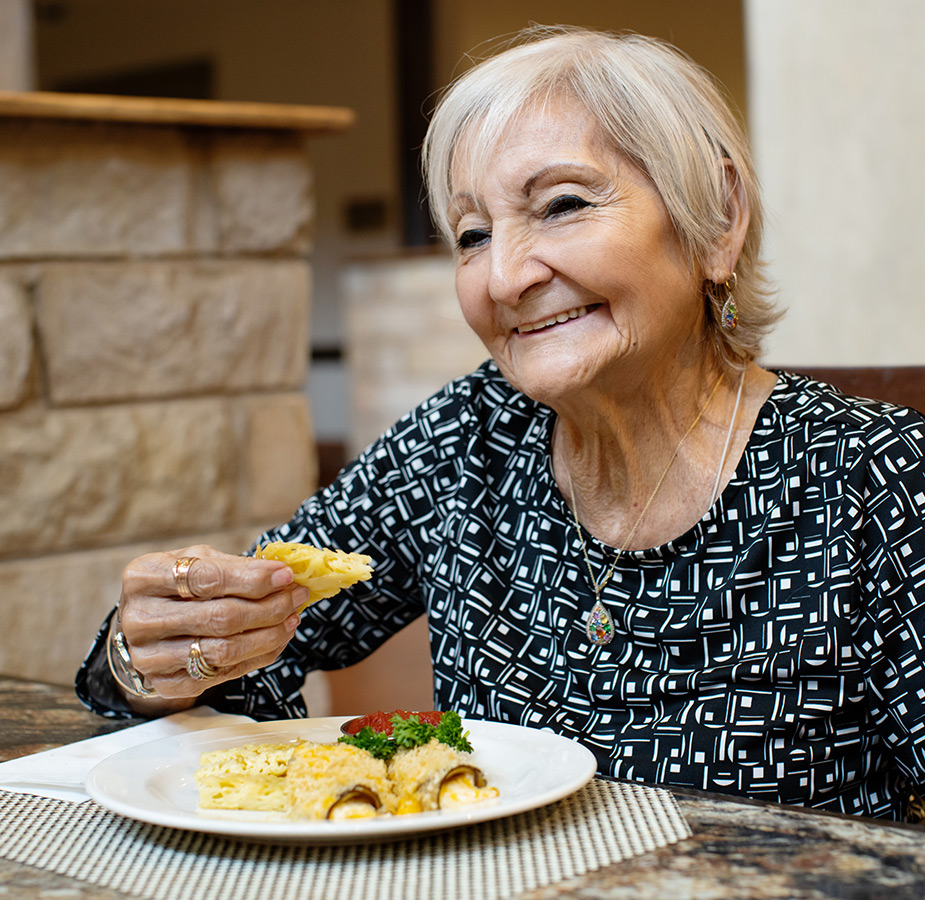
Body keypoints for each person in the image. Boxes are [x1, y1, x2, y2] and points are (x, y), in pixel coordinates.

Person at [77, 26, 925, 821]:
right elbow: (255, 650)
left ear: (716, 219)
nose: (507, 275)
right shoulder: (464, 441)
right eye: (473, 234)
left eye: (560, 205)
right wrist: (158, 655)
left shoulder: (878, 481)